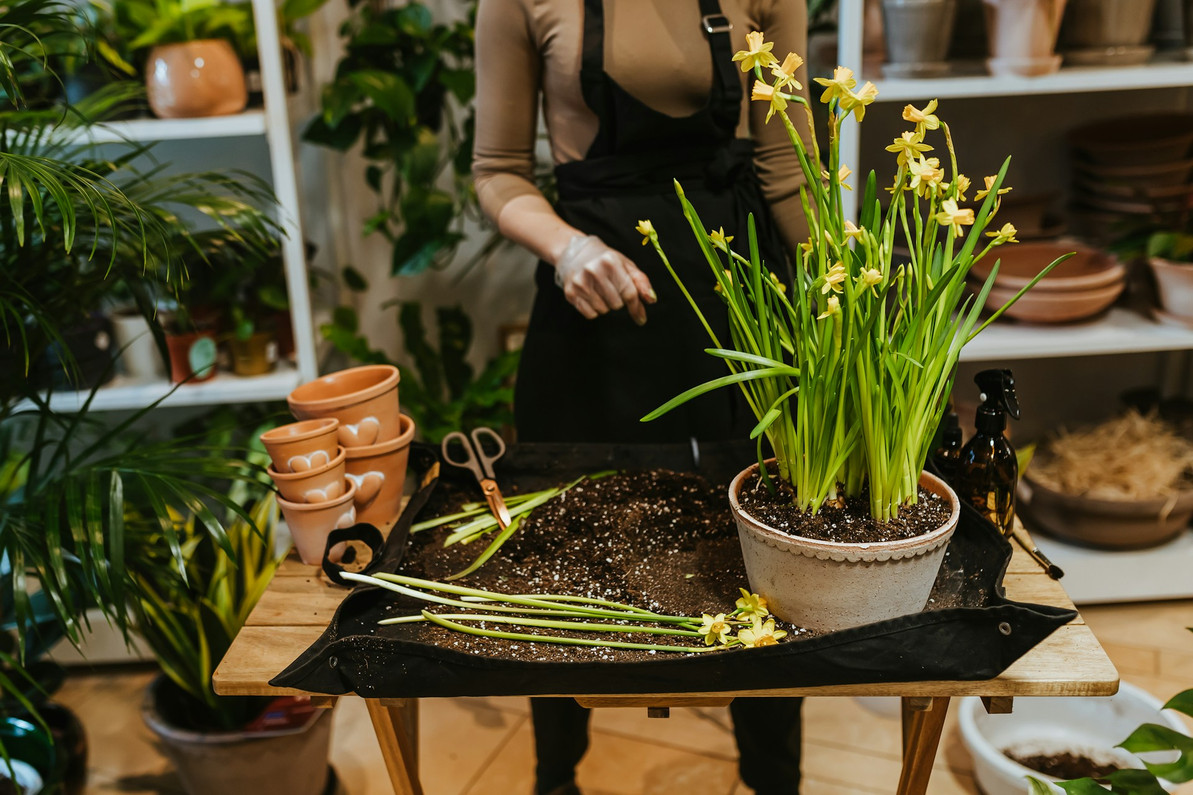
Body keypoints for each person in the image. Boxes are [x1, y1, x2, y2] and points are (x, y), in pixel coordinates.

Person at [473, 1, 812, 793]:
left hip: (740, 308)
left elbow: (787, 166)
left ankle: (773, 779)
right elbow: (497, 171)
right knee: (566, 556)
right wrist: (566, 249)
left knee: (766, 557)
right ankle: (556, 776)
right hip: (595, 311)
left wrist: (847, 299)